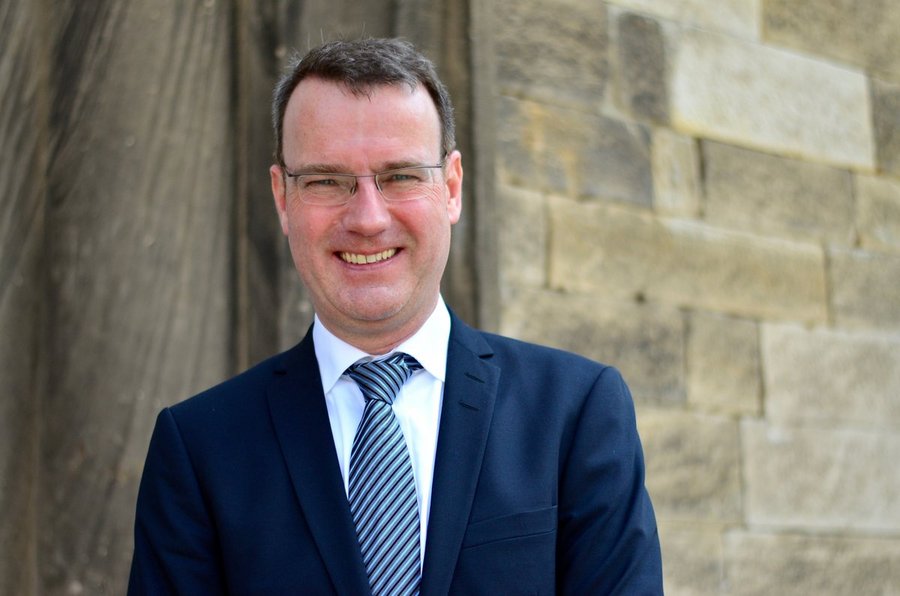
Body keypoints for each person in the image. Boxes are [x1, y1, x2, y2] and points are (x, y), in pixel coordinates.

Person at [128, 37, 662, 595]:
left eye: (401, 176)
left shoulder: (576, 413)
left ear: (450, 188)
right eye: (326, 181)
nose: (368, 218)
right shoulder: (200, 448)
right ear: (283, 199)